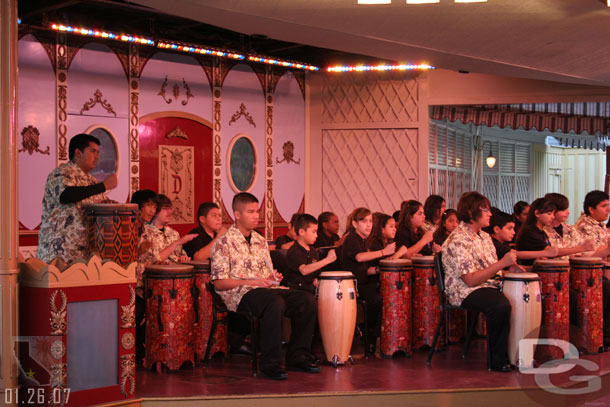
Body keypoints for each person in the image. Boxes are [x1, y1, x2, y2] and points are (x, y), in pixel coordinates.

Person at [211, 192, 319, 380]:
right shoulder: (223, 243)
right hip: (238, 293)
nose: (256, 216)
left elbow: (265, 275)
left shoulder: (260, 241)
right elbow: (219, 283)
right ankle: (271, 363)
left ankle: (297, 356)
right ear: (237, 214)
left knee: (306, 300)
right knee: (274, 302)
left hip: (264, 290)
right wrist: (251, 282)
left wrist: (271, 278)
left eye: (257, 211)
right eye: (251, 212)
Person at [442, 191, 524, 372]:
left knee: (519, 297)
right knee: (499, 304)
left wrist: (508, 269)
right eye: (485, 210)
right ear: (471, 214)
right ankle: (497, 360)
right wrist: (502, 264)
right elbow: (470, 280)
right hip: (464, 290)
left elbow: (491, 270)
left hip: (486, 285)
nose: (490, 214)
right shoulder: (457, 240)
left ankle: (519, 355)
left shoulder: (485, 237)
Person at [36, 134, 118, 264]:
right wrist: (103, 186)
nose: (97, 156)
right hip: (59, 253)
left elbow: (97, 208)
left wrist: (109, 205)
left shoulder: (91, 181)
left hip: (85, 254)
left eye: (98, 152)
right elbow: (66, 196)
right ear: (78, 152)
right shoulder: (62, 172)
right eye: (92, 151)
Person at [341, 207, 395, 354]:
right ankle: (370, 338)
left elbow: (365, 269)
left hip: (362, 281)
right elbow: (359, 257)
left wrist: (379, 269)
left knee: (384, 292)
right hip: (352, 285)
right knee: (377, 298)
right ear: (354, 224)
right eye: (363, 221)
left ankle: (377, 338)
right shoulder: (352, 238)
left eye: (370, 221)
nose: (368, 225)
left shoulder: (365, 241)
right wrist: (384, 252)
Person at [574, 190, 610, 347]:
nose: (608, 209)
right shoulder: (584, 227)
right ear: (591, 209)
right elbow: (592, 256)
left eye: (608, 205)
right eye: (604, 206)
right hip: (590, 272)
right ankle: (606, 334)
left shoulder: (601, 226)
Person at [284, 214, 337, 294]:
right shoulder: (294, 251)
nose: (316, 235)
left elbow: (315, 274)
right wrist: (327, 260)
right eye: (313, 232)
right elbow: (304, 270)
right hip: (298, 292)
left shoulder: (313, 251)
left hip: (311, 290)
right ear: (301, 232)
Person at [489, 211, 558, 263]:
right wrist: (546, 253)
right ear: (497, 229)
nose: (514, 232)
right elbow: (518, 254)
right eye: (509, 228)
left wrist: (534, 266)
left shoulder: (503, 244)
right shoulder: (494, 244)